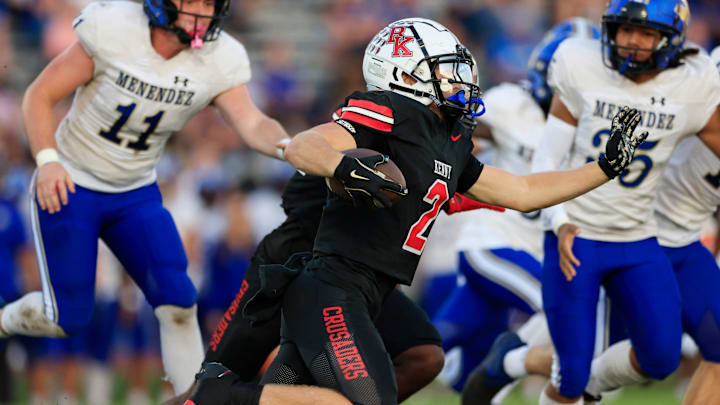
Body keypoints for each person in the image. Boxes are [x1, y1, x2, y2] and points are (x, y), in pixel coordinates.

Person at [185, 17, 647, 405]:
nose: (460, 78)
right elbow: (309, 144)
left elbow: (524, 190)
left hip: (374, 290)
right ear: (403, 72)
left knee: (422, 356)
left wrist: (605, 167)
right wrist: (344, 165)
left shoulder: (451, 137)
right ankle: (221, 396)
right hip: (330, 285)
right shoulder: (391, 110)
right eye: (445, 70)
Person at [0, 0, 290, 395]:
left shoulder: (220, 56)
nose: (205, 12)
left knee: (179, 302)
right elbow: (39, 94)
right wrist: (47, 160)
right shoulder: (114, 27)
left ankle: (193, 402)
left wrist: (290, 146)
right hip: (73, 182)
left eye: (211, 3)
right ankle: (3, 319)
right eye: (195, 1)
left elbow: (253, 122)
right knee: (67, 318)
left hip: (134, 191)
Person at [163, 170, 503, 405]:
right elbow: (303, 175)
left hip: (355, 278)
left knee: (423, 356)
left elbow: (493, 187)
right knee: (213, 381)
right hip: (296, 261)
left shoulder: (442, 136)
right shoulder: (375, 121)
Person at [524, 1, 720, 404]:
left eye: (646, 33)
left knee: (662, 358)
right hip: (578, 234)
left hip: (639, 237)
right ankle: (559, 378)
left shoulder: (692, 84)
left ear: (671, 40)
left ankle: (585, 385)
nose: (631, 42)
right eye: (624, 30)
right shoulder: (584, 67)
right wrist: (558, 220)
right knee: (571, 373)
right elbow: (546, 160)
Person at [432, 17, 600, 394]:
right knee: (562, 304)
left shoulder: (597, 124)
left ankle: (347, 372)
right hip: (492, 243)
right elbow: (459, 138)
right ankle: (508, 366)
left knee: (434, 348)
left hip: (536, 250)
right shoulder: (510, 103)